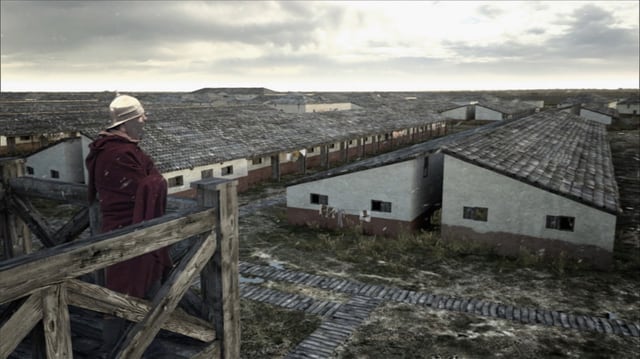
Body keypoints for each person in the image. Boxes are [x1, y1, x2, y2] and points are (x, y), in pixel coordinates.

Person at [85, 93, 173, 356]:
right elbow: (144, 185)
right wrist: (157, 179)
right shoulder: (117, 154)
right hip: (128, 231)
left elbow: (145, 178)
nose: (144, 120)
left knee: (139, 287)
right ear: (124, 123)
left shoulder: (121, 150)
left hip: (131, 226)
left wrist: (151, 176)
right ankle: (121, 350)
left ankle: (141, 345)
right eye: (139, 117)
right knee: (127, 291)